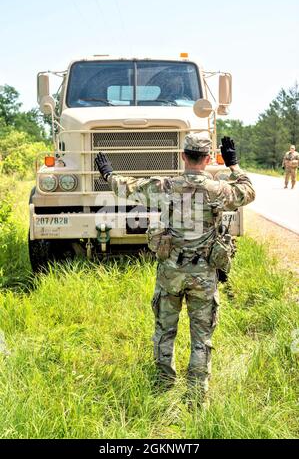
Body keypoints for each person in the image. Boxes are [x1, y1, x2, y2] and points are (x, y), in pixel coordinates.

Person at [95, 134, 255, 403]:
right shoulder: (218, 190)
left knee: (164, 328)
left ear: (183, 155)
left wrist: (108, 172)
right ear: (207, 159)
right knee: (202, 335)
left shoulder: (163, 186)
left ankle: (163, 382)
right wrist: (233, 165)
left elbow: (124, 187)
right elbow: (248, 191)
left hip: (170, 271)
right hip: (203, 274)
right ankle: (196, 392)